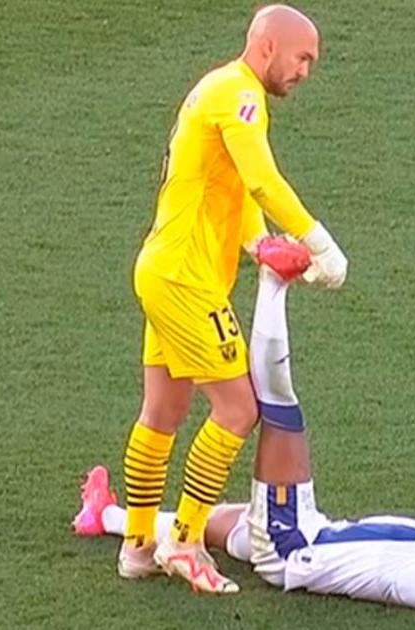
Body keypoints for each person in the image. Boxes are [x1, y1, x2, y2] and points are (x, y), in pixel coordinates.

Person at [76, 268, 415, 612]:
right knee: (210, 523)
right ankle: (105, 518)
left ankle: (272, 282)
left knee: (281, 411)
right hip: (312, 534)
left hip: (294, 545)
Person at [118, 3, 348, 594]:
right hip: (186, 280)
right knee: (239, 409)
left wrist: (258, 244)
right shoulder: (241, 95)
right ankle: (184, 540)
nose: (305, 72)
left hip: (163, 269)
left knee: (162, 412)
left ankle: (138, 545)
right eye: (302, 58)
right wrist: (320, 244)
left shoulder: (218, 88)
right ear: (268, 45)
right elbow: (262, 180)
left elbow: (232, 184)